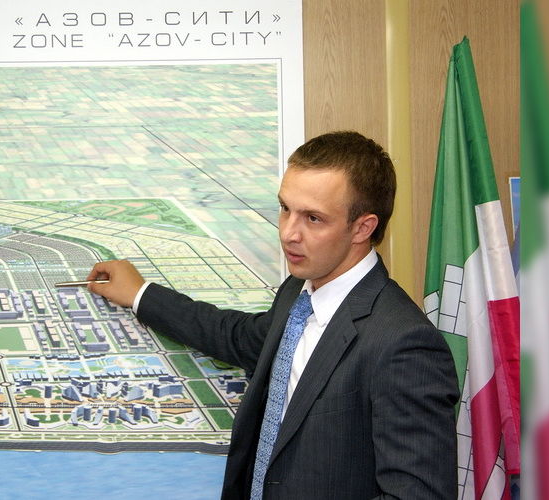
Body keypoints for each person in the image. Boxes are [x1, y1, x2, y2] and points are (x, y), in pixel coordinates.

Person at [85, 131, 459, 499]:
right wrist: (141, 294)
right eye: (285, 209)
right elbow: (237, 336)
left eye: (313, 218)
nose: (289, 233)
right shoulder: (298, 291)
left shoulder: (404, 344)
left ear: (363, 227)